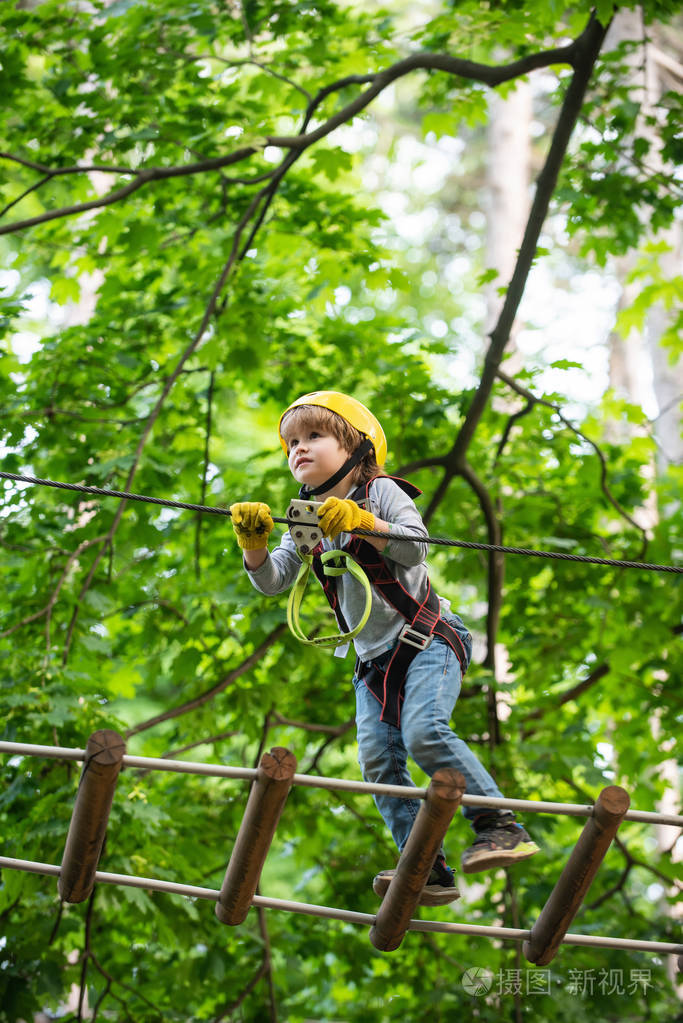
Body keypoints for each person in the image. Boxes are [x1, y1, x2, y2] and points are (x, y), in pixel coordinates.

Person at [230, 390, 538, 906]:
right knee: (377, 760)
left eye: (313, 437)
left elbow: (416, 545)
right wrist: (256, 547)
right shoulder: (304, 516)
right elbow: (275, 580)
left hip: (427, 641)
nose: (298, 450)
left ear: (355, 448)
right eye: (290, 444)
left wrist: (363, 524)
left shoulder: (382, 494)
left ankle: (499, 824)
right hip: (373, 663)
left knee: (424, 731)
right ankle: (426, 869)